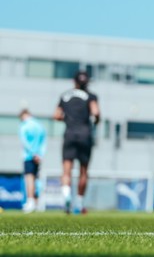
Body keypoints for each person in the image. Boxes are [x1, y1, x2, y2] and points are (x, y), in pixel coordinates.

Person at [54, 70, 99, 214]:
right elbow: (96, 112)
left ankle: (66, 196)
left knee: (66, 170)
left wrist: (67, 119)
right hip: (85, 135)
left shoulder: (65, 96)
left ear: (74, 82)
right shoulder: (91, 96)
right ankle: (79, 203)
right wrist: (96, 121)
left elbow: (56, 115)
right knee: (83, 171)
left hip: (70, 134)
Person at [18, 109, 46, 214]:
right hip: (38, 157)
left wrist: (33, 153)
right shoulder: (40, 125)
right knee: (36, 178)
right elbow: (44, 142)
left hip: (29, 156)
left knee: (29, 178)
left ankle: (30, 202)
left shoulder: (24, 126)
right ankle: (37, 202)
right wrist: (40, 155)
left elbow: (24, 142)